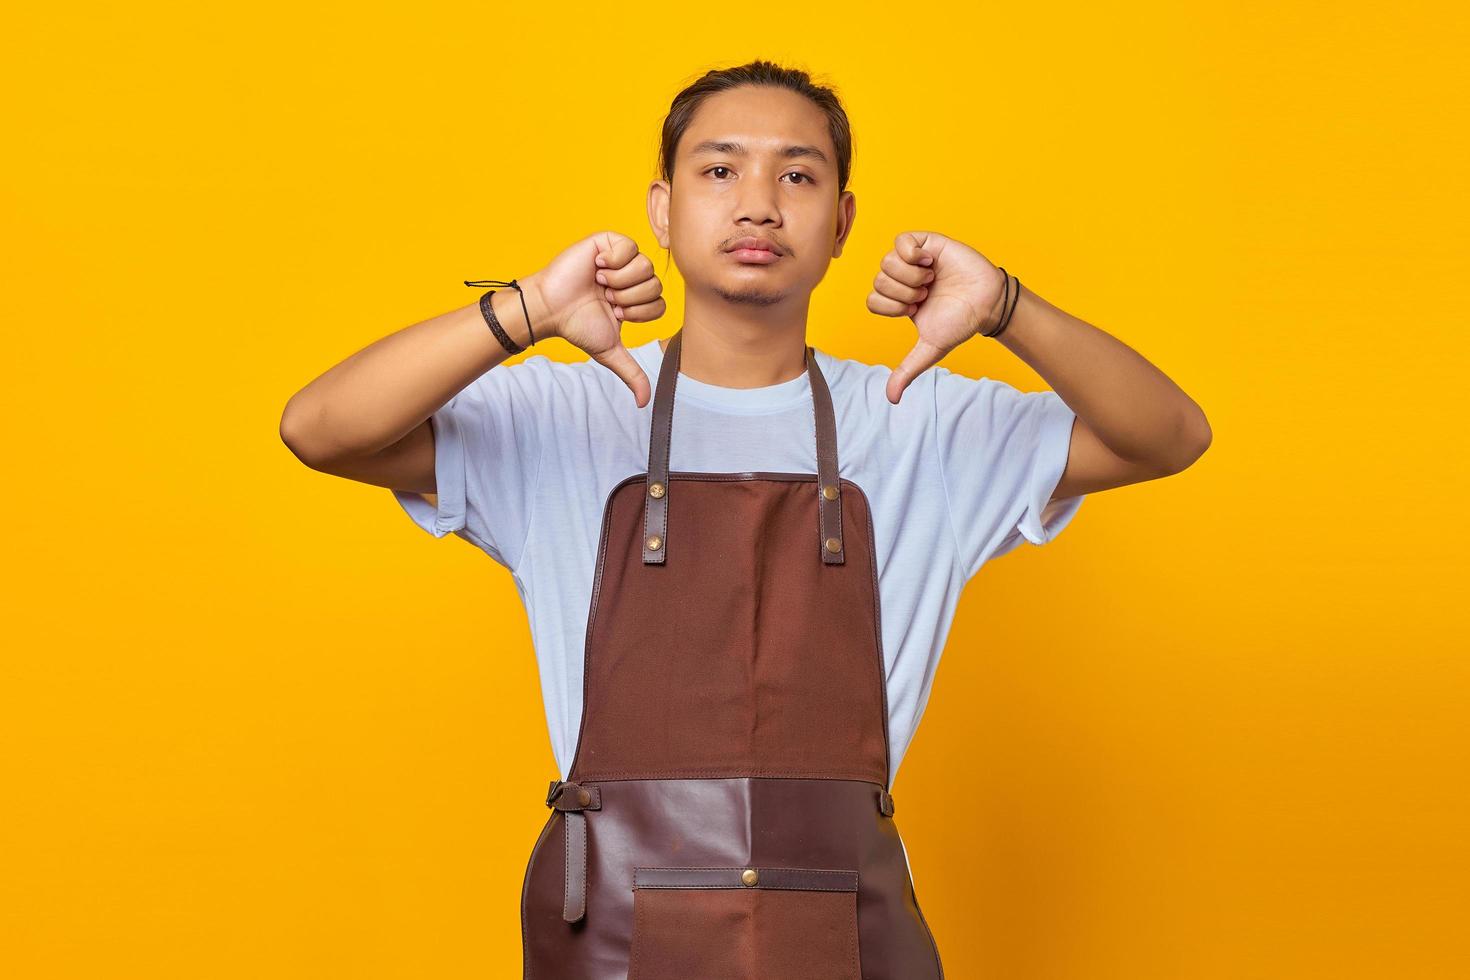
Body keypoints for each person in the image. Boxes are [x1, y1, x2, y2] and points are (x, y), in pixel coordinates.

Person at [281, 59, 1210, 980]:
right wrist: (526, 310)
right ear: (662, 209)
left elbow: (1169, 435)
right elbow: (319, 430)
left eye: (797, 175)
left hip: (845, 937)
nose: (758, 203)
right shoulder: (562, 417)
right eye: (719, 170)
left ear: (843, 220)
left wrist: (1006, 305)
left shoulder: (923, 420)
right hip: (610, 939)